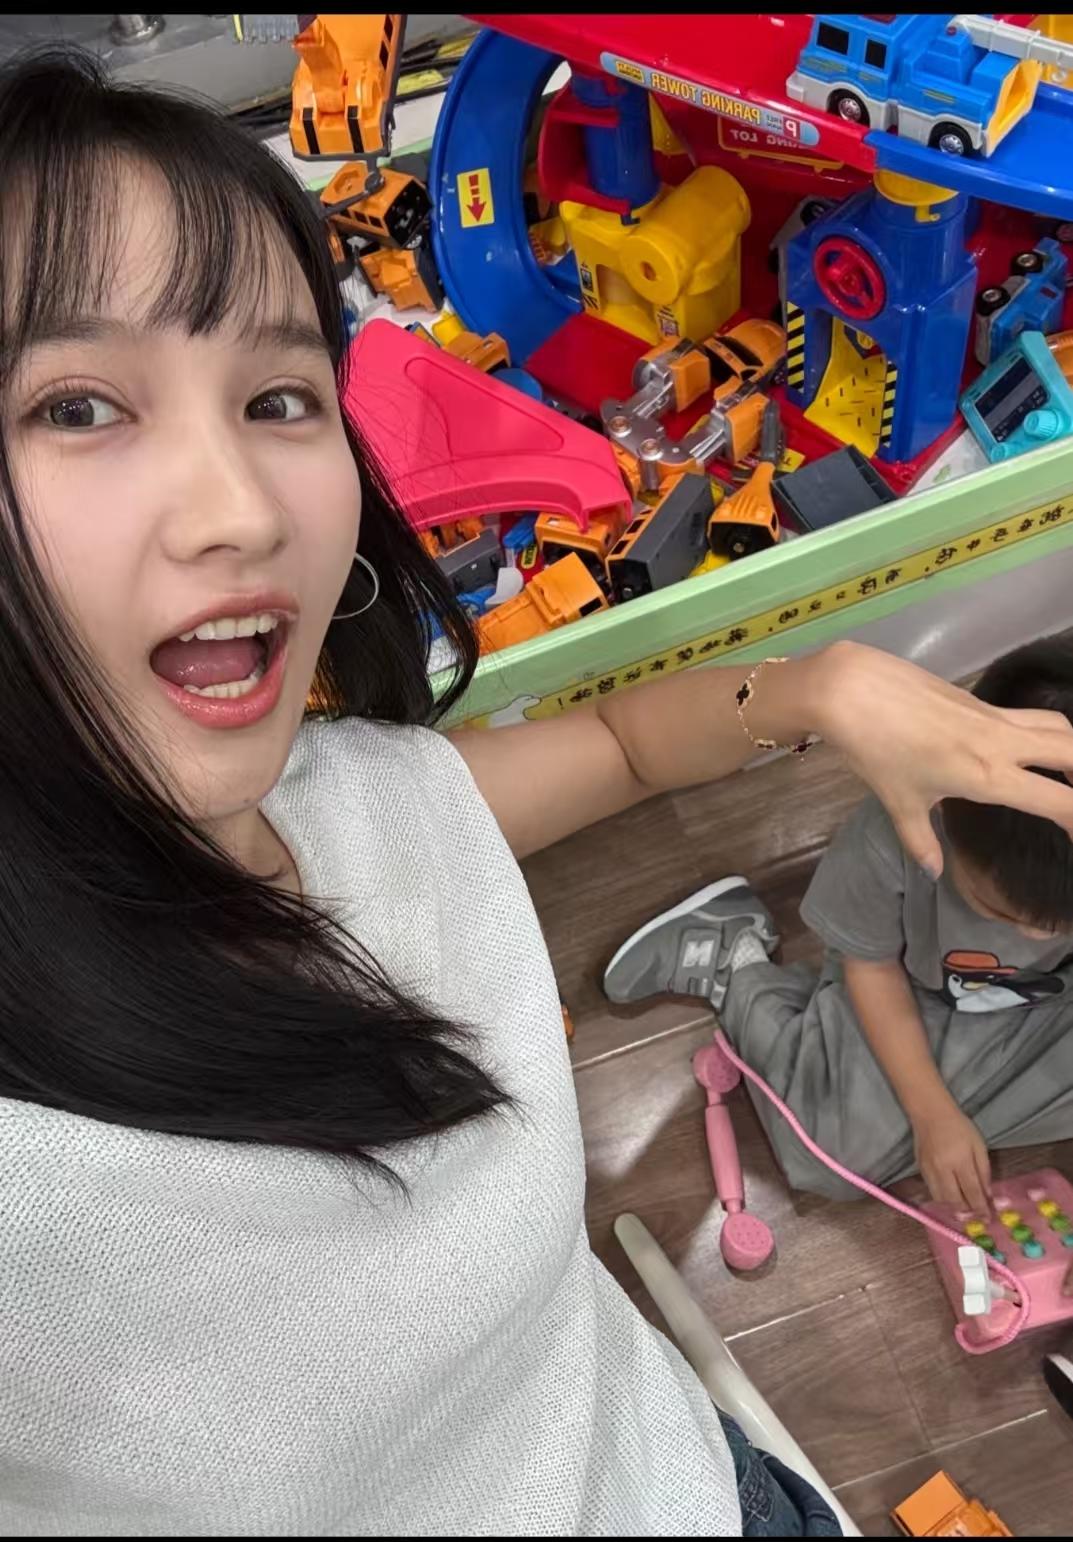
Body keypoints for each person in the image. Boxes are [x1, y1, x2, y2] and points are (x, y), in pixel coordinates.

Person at [3, 50, 1073, 1540]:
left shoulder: (365, 797)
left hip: (696, 1478)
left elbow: (627, 745)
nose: (241, 508)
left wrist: (817, 688)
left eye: (279, 396)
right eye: (75, 406)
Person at [606, 637, 1073, 1212]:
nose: (1037, 936)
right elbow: (871, 968)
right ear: (942, 812)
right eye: (1001, 912)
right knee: (831, 1153)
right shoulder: (890, 842)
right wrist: (932, 1114)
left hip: (1036, 1005)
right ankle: (739, 964)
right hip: (913, 993)